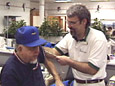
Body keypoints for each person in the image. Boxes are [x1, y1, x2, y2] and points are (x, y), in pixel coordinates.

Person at [44, 4, 108, 86]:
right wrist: (37, 48)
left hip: (94, 83)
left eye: (73, 23)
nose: (69, 26)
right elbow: (54, 52)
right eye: (68, 22)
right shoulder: (70, 36)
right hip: (77, 83)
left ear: (84, 22)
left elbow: (92, 69)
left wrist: (68, 61)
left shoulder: (97, 38)